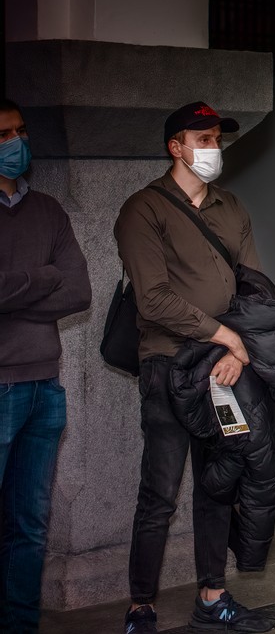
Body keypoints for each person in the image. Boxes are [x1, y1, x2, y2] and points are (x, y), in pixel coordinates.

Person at [115, 102, 271, 634]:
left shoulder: (232, 207)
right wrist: (224, 334)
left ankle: (213, 594)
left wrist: (237, 348)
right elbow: (153, 300)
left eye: (216, 139)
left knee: (217, 485)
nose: (212, 148)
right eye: (201, 139)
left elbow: (252, 287)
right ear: (175, 147)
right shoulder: (144, 209)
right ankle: (141, 606)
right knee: (159, 492)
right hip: (167, 366)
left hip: (222, 370)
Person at [0, 99, 91, 634]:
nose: (16, 142)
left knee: (29, 528)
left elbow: (78, 290)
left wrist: (16, 288)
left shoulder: (49, 210)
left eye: (21, 131)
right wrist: (42, 278)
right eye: (4, 134)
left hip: (44, 389)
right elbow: (55, 282)